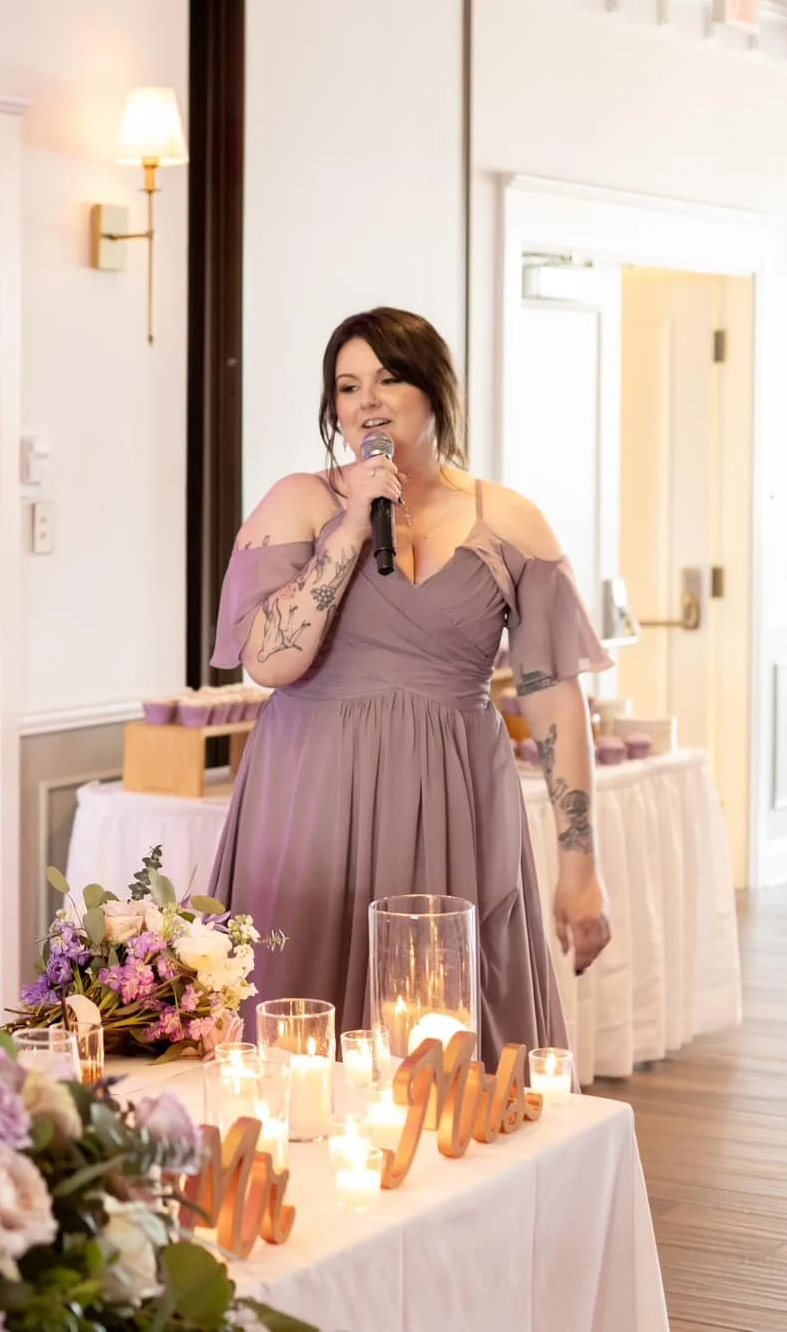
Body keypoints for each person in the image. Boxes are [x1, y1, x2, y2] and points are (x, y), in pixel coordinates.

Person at [207, 306, 613, 1061]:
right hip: (312, 801)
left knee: (448, 1040)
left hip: (454, 805)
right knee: (297, 1034)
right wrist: (352, 526)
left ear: (435, 393)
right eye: (348, 385)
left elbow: (554, 696)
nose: (367, 401)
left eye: (389, 379)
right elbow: (268, 661)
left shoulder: (511, 521)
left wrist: (580, 869)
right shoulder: (299, 501)